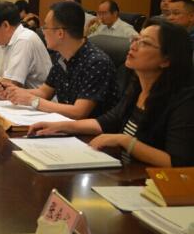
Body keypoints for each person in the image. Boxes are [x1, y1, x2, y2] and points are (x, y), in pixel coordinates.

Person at [31, 18, 194, 167]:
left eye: (145, 43)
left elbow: (178, 162)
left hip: (155, 183)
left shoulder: (185, 101)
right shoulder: (137, 89)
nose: (133, 46)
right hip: (126, 171)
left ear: (166, 60)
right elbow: (109, 121)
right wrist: (62, 126)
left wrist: (125, 141)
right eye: (136, 39)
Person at [2, 1, 118, 119]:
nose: (43, 31)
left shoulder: (97, 62)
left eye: (45, 27)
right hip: (64, 123)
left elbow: (79, 112)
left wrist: (32, 100)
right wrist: (14, 91)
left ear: (60, 33)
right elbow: (44, 92)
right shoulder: (61, 56)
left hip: (88, 129)